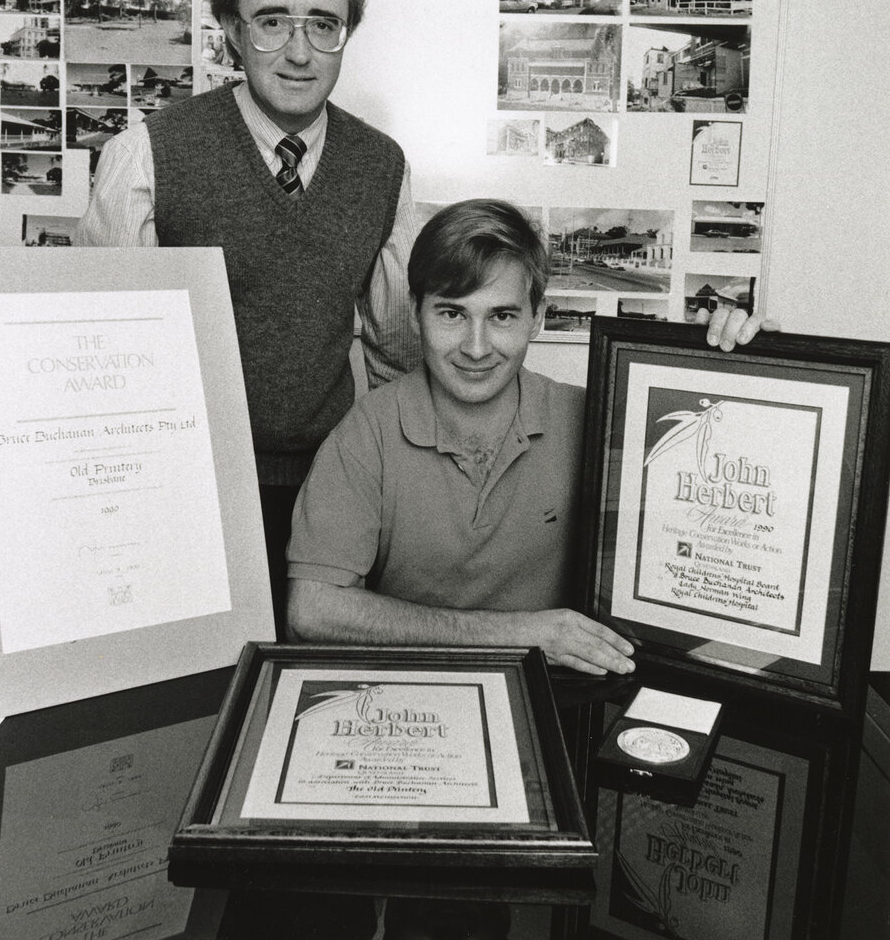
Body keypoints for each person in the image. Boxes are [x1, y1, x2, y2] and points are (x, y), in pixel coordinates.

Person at [74, 0, 420, 628]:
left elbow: (399, 354)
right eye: (271, 22)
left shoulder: (383, 166)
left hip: (332, 496)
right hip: (183, 497)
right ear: (231, 28)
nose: (299, 52)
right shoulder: (146, 157)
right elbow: (104, 368)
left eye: (324, 23)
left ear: (348, 31)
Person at [286, 199, 774, 673]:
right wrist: (517, 633)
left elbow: (725, 488)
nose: (476, 348)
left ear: (537, 315)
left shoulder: (596, 418)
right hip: (411, 709)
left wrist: (750, 366)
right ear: (416, 312)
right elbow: (311, 610)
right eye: (452, 314)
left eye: (502, 316)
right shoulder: (366, 431)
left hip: (557, 703)